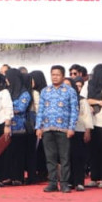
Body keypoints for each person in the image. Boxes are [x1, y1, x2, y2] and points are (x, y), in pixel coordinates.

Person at [36, 65, 79, 193]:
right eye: (53, 74)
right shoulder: (45, 91)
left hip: (64, 129)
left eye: (57, 75)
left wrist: (71, 127)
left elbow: (74, 110)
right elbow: (40, 110)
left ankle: (64, 183)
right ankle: (52, 183)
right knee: (50, 158)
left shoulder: (70, 91)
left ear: (63, 76)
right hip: (47, 128)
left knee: (64, 157)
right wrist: (38, 127)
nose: (55, 77)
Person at [4, 69, 31, 186]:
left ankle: (18, 177)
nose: (6, 80)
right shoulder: (6, 91)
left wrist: (7, 109)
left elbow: (21, 108)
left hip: (19, 127)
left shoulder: (24, 94)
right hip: (7, 128)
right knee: (8, 153)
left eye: (8, 77)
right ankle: (8, 176)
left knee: (18, 154)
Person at [68, 76, 94, 191]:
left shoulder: (81, 100)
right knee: (67, 158)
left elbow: (87, 116)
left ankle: (79, 181)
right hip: (64, 131)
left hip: (79, 130)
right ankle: (69, 181)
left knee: (78, 157)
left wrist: (87, 130)